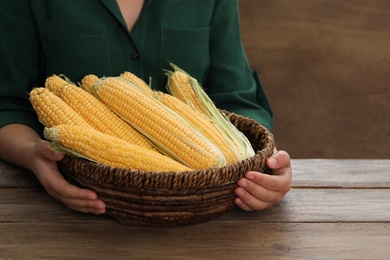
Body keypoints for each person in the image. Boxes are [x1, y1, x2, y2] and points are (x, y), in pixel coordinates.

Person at [0, 0, 291, 215]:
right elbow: (7, 106)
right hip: (69, 215)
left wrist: (263, 167)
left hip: (206, 217)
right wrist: (32, 156)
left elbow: (237, 101)